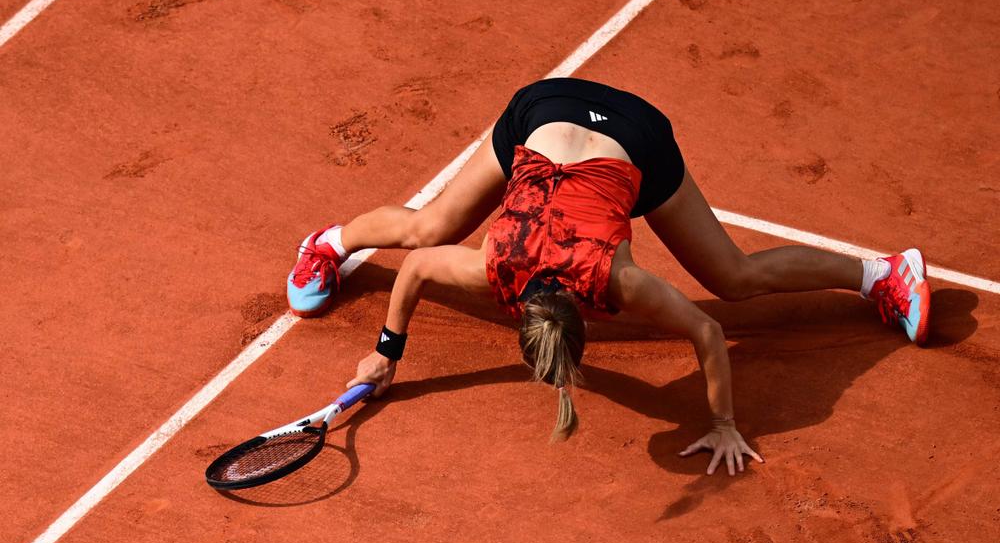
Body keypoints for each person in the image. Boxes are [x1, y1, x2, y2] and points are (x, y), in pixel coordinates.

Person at [286, 78, 931, 476]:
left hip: (633, 138)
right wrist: (386, 354)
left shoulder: (617, 283)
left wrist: (725, 423)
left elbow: (708, 331)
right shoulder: (498, 262)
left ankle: (883, 273)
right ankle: (328, 244)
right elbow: (421, 264)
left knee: (732, 277)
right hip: (542, 111)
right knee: (429, 229)